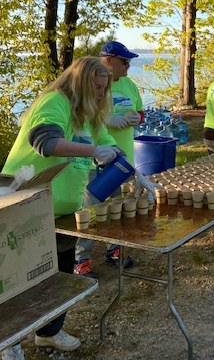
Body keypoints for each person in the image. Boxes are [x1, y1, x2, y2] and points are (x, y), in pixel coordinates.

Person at [1, 57, 122, 354]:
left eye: (103, 89)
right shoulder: (55, 102)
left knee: (60, 277)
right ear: (79, 82)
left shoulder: (87, 115)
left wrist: (136, 174)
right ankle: (9, 343)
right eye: (95, 87)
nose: (99, 94)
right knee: (21, 280)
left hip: (63, 209)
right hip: (27, 206)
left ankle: (49, 332)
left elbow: (112, 148)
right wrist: (94, 150)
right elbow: (45, 142)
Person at [73, 41, 145, 277]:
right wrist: (107, 120)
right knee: (88, 210)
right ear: (107, 60)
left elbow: (141, 110)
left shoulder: (130, 86)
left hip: (121, 158)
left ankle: (114, 249)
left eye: (129, 62)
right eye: (124, 62)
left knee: (117, 207)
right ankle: (81, 260)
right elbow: (84, 117)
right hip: (92, 161)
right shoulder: (93, 85)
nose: (127, 67)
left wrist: (138, 117)